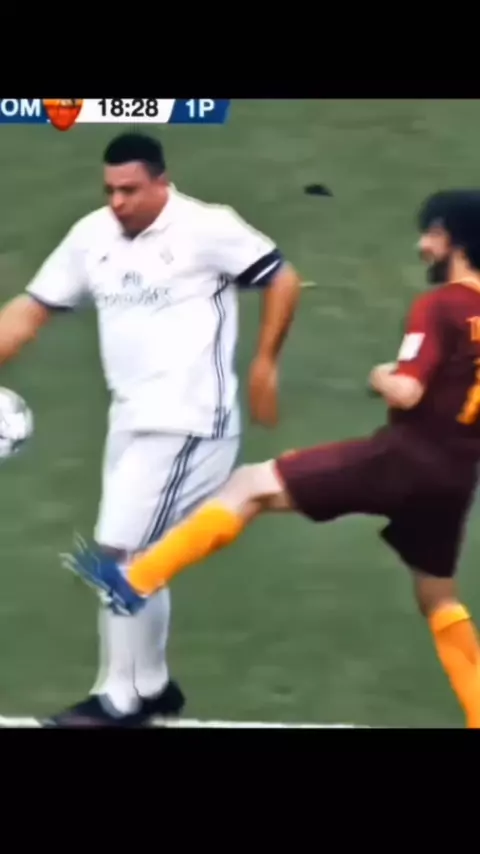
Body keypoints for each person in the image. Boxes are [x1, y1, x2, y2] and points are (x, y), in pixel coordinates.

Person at [69, 189, 480, 728]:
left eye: (430, 234)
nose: (423, 246)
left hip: (402, 458)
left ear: (451, 238)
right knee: (438, 597)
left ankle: (136, 581)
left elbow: (407, 392)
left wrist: (379, 375)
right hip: (456, 476)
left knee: (249, 485)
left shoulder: (442, 305)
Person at [0, 132, 301, 727]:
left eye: (130, 189)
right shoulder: (92, 237)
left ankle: (118, 699)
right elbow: (29, 312)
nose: (118, 202)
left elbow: (282, 278)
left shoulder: (207, 227)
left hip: (193, 421)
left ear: (161, 182)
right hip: (131, 420)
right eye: (110, 190)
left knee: (120, 551)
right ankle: (153, 688)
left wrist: (266, 362)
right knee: (140, 553)